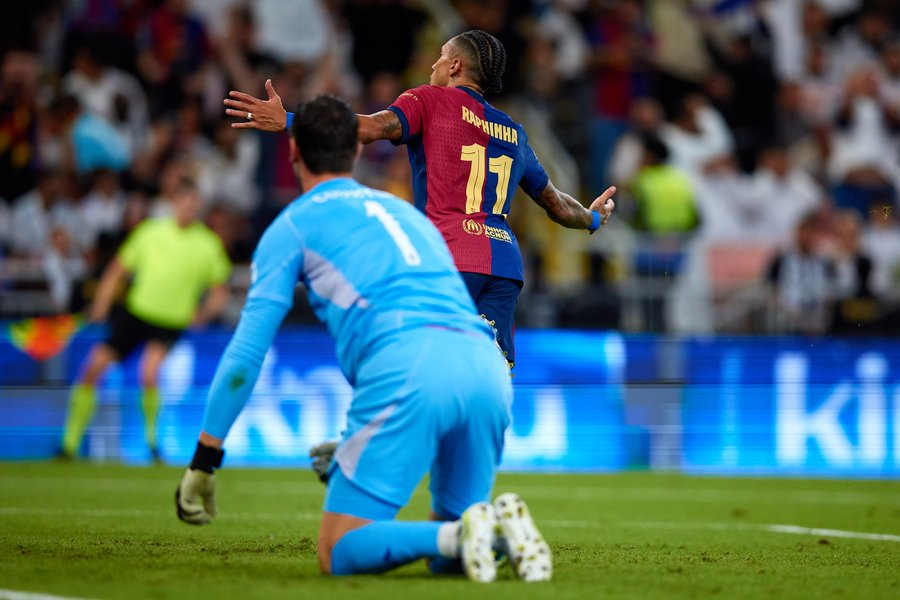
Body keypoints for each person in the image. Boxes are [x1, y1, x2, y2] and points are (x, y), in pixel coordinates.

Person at [174, 95, 551, 583]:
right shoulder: (409, 215)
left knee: (339, 550)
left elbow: (247, 353)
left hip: (410, 371)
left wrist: (205, 459)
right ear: (354, 152)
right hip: (487, 369)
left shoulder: (291, 227)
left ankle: (465, 531)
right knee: (446, 558)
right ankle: (488, 531)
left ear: (293, 153)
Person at [223, 29, 616, 371]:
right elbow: (557, 204)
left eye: (441, 56)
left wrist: (291, 120)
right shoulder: (513, 131)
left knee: (410, 360)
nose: (434, 64)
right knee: (487, 375)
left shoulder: (429, 100)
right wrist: (593, 219)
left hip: (446, 255)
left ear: (457, 66)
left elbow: (369, 128)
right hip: (504, 267)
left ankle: (375, 440)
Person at [61, 178, 231, 461]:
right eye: (184, 202)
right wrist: (102, 303)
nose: (188, 209)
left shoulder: (207, 244)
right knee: (93, 368)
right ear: (174, 203)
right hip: (135, 313)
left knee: (149, 373)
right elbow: (118, 270)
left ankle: (152, 444)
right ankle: (69, 444)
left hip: (169, 321)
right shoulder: (150, 232)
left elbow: (219, 290)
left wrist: (203, 313)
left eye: (193, 204)